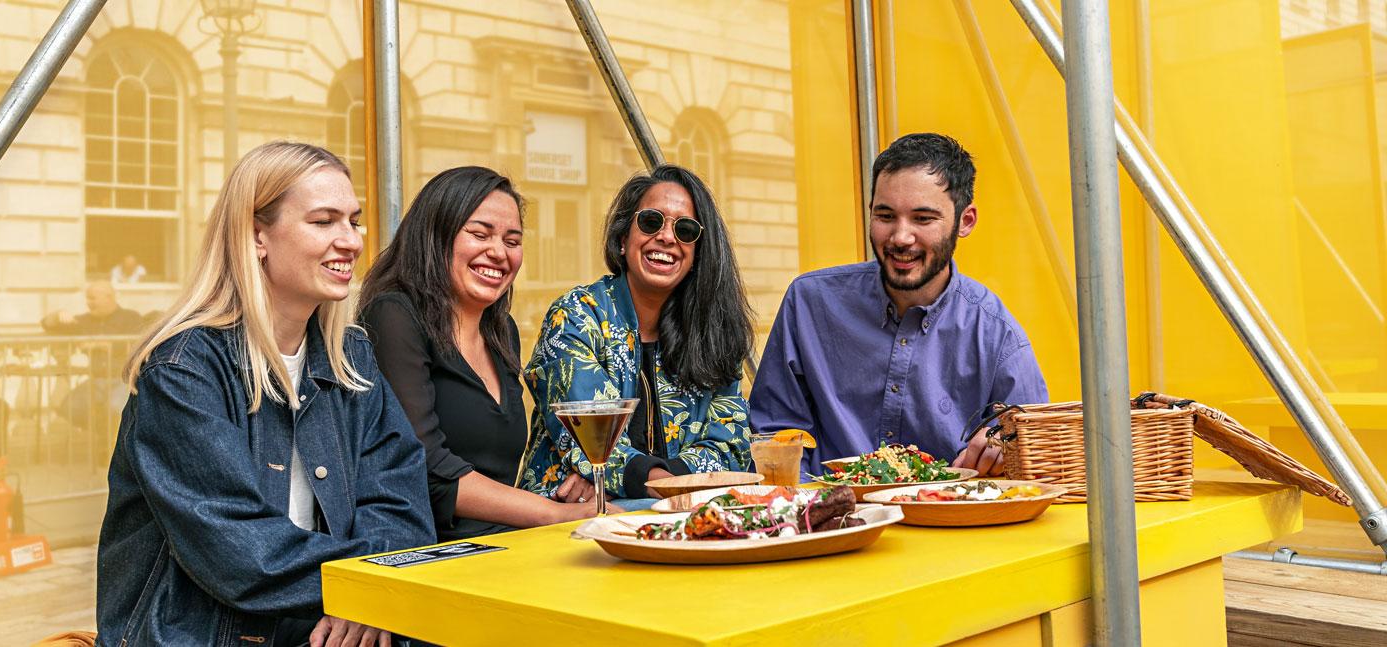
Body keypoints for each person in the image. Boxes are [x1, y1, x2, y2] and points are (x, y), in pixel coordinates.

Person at [97, 142, 434, 646]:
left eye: (354, 220)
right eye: (323, 222)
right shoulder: (182, 370)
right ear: (257, 236)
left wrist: (369, 593)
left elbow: (401, 500)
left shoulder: (351, 356)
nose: (351, 241)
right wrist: (364, 587)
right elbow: (240, 550)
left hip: (324, 624)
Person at [750, 133, 1049, 477]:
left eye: (923, 219)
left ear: (965, 221)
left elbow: (1035, 452)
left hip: (947, 523)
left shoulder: (998, 335)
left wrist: (1004, 446)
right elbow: (774, 432)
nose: (900, 237)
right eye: (886, 215)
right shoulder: (809, 303)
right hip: (832, 521)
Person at [360, 166, 609, 541]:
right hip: (427, 556)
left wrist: (579, 489)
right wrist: (555, 514)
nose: (498, 253)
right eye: (479, 234)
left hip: (505, 546)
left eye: (512, 241)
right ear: (435, 236)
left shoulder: (501, 332)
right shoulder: (394, 315)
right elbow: (424, 465)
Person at [519, 164, 755, 505]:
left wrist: (646, 485)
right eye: (651, 221)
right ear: (622, 238)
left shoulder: (713, 332)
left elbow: (731, 445)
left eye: (685, 230)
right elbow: (590, 439)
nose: (667, 237)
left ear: (697, 254)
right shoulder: (576, 316)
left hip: (681, 520)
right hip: (566, 517)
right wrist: (661, 484)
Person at [41, 281, 145, 460]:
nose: (89, 303)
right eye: (87, 298)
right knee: (70, 407)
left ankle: (123, 453)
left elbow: (139, 342)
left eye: (93, 298)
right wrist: (57, 316)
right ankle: (106, 438)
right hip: (96, 380)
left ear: (109, 297)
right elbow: (46, 324)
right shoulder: (83, 321)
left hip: (125, 379)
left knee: (116, 409)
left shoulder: (131, 317)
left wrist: (102, 345)